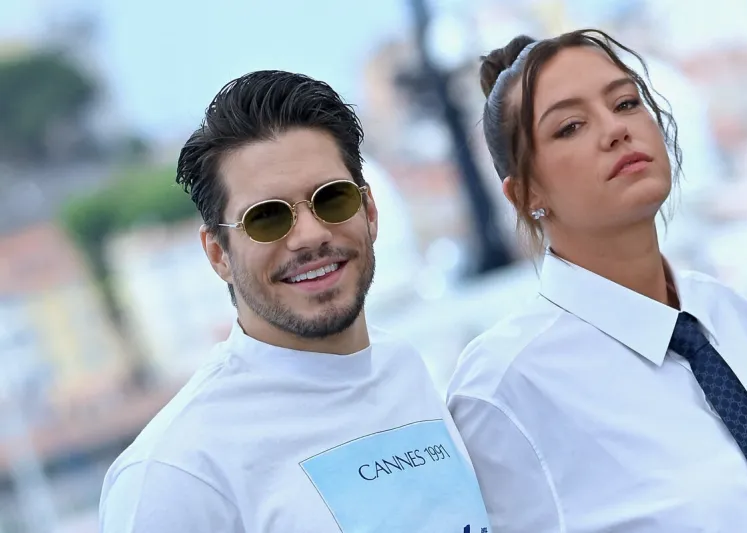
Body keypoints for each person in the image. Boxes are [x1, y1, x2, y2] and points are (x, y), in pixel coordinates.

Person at [99, 70, 492, 533]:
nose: (310, 235)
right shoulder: (176, 475)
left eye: (332, 199)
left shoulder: (404, 368)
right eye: (266, 217)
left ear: (369, 212)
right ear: (218, 254)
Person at [447, 29, 747, 533]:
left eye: (626, 103)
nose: (615, 129)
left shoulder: (729, 312)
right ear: (525, 194)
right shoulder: (505, 389)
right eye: (570, 126)